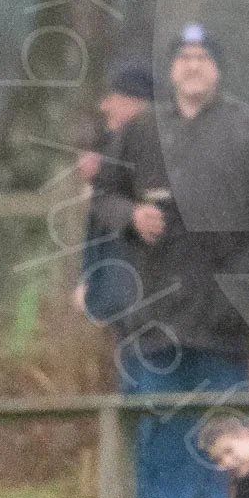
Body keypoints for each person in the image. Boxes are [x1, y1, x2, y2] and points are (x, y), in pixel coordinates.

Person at [91, 24, 249, 498]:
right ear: (172, 70)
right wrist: (132, 215)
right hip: (156, 306)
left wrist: (242, 282)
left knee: (226, 413)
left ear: (216, 69)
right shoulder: (142, 130)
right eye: (184, 57)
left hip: (224, 308)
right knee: (162, 415)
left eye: (202, 56)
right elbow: (103, 195)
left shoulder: (243, 128)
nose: (193, 65)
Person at [75, 62, 154, 326]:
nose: (104, 107)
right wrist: (89, 279)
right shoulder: (110, 148)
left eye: (112, 98)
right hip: (113, 292)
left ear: (136, 103)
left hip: (138, 296)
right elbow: (98, 228)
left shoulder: (157, 151)